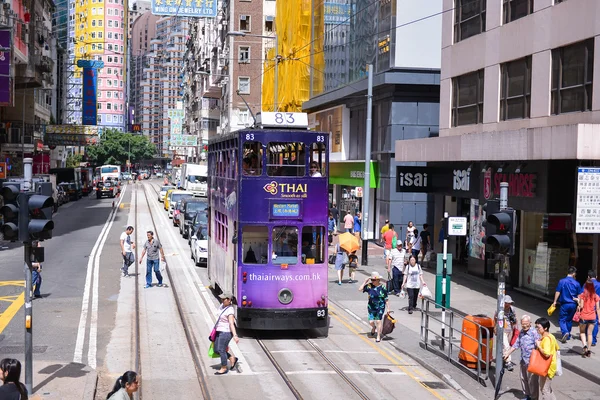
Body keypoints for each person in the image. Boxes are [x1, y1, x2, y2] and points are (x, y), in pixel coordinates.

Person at [503, 315, 540, 400]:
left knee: (532, 381)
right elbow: (516, 344)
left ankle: (534, 398)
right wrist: (508, 353)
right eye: (523, 324)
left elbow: (538, 345)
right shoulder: (521, 332)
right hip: (523, 360)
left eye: (526, 324)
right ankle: (527, 395)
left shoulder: (534, 332)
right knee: (523, 378)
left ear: (530, 323)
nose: (524, 326)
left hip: (532, 361)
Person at [551, 266, 581, 342]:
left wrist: (555, 301)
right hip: (573, 304)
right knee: (569, 320)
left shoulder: (562, 281)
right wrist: (579, 304)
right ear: (574, 273)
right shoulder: (576, 283)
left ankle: (565, 332)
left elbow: (558, 291)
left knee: (562, 319)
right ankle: (568, 335)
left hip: (564, 304)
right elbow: (579, 295)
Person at [359, 272, 389, 342]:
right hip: (371, 306)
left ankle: (378, 336)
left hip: (380, 306)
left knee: (378, 321)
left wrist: (388, 308)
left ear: (378, 280)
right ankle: (373, 327)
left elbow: (386, 298)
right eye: (371, 280)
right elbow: (360, 289)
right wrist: (365, 281)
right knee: (371, 321)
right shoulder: (369, 286)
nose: (372, 281)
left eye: (374, 280)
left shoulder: (383, 287)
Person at [214, 292, 240, 375]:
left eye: (223, 299)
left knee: (221, 349)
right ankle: (232, 358)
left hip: (226, 332)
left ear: (229, 300)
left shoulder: (230, 310)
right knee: (216, 350)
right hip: (219, 330)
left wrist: (235, 335)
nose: (222, 300)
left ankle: (224, 367)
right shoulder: (222, 306)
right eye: (221, 298)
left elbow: (231, 324)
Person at [534, 317, 559, 400]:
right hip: (551, 366)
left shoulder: (546, 339)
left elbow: (547, 354)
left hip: (546, 368)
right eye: (536, 327)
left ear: (545, 328)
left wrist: (538, 346)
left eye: (539, 327)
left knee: (544, 390)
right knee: (548, 388)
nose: (537, 329)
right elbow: (556, 348)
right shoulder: (551, 336)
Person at [577, 272, 600, 358]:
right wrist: (599, 318)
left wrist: (578, 303)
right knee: (590, 334)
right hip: (593, 316)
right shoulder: (596, 296)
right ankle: (589, 349)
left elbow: (581, 306)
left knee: (582, 332)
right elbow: (598, 308)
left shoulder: (583, 295)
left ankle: (585, 346)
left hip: (584, 316)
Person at [494, 295, 518, 371]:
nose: (508, 304)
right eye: (507, 303)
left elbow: (515, 319)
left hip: (510, 330)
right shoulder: (499, 309)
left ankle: (503, 358)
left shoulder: (512, 309)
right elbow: (495, 318)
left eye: (509, 303)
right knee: (506, 346)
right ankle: (508, 362)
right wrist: (495, 328)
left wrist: (516, 328)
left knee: (506, 346)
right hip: (502, 330)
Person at [589, 271, 600, 346]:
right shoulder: (599, 284)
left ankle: (588, 337)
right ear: (596, 277)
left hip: (588, 306)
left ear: (588, 277)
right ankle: (593, 340)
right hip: (597, 304)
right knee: (595, 322)